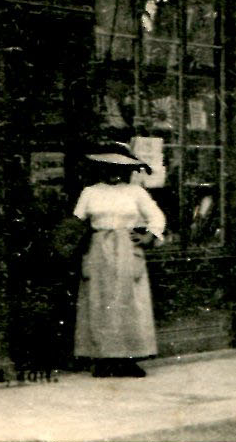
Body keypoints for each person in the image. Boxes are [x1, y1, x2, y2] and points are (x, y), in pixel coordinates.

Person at [73, 141, 165, 377]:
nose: (114, 173)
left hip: (126, 248)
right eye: (109, 168)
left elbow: (156, 216)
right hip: (98, 249)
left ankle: (128, 359)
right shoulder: (90, 192)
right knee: (100, 302)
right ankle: (104, 359)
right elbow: (76, 222)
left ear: (128, 171)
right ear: (101, 169)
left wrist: (149, 236)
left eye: (119, 169)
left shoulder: (136, 192)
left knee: (128, 303)